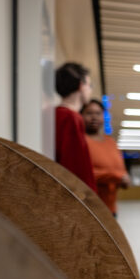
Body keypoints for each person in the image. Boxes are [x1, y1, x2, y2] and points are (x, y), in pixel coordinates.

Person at [81, 99, 130, 216]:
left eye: (98, 113)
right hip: (89, 209)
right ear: (80, 115)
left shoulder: (111, 142)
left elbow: (121, 169)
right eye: (89, 113)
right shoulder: (81, 141)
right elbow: (83, 173)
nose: (94, 117)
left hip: (111, 209)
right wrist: (116, 176)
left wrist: (125, 178)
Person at [54, 62, 96, 191]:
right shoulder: (72, 118)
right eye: (89, 85)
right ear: (81, 86)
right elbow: (76, 167)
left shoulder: (52, 114)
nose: (90, 90)